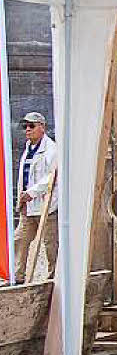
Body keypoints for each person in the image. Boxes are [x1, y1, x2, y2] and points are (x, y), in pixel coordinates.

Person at [12, 111, 58, 282]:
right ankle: (18, 277)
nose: (27, 130)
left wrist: (31, 193)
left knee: (50, 244)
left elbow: (52, 177)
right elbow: (23, 178)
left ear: (42, 127)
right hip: (28, 208)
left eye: (31, 126)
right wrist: (21, 200)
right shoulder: (28, 149)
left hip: (46, 207)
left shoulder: (51, 150)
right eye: (25, 126)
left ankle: (53, 277)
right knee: (20, 240)